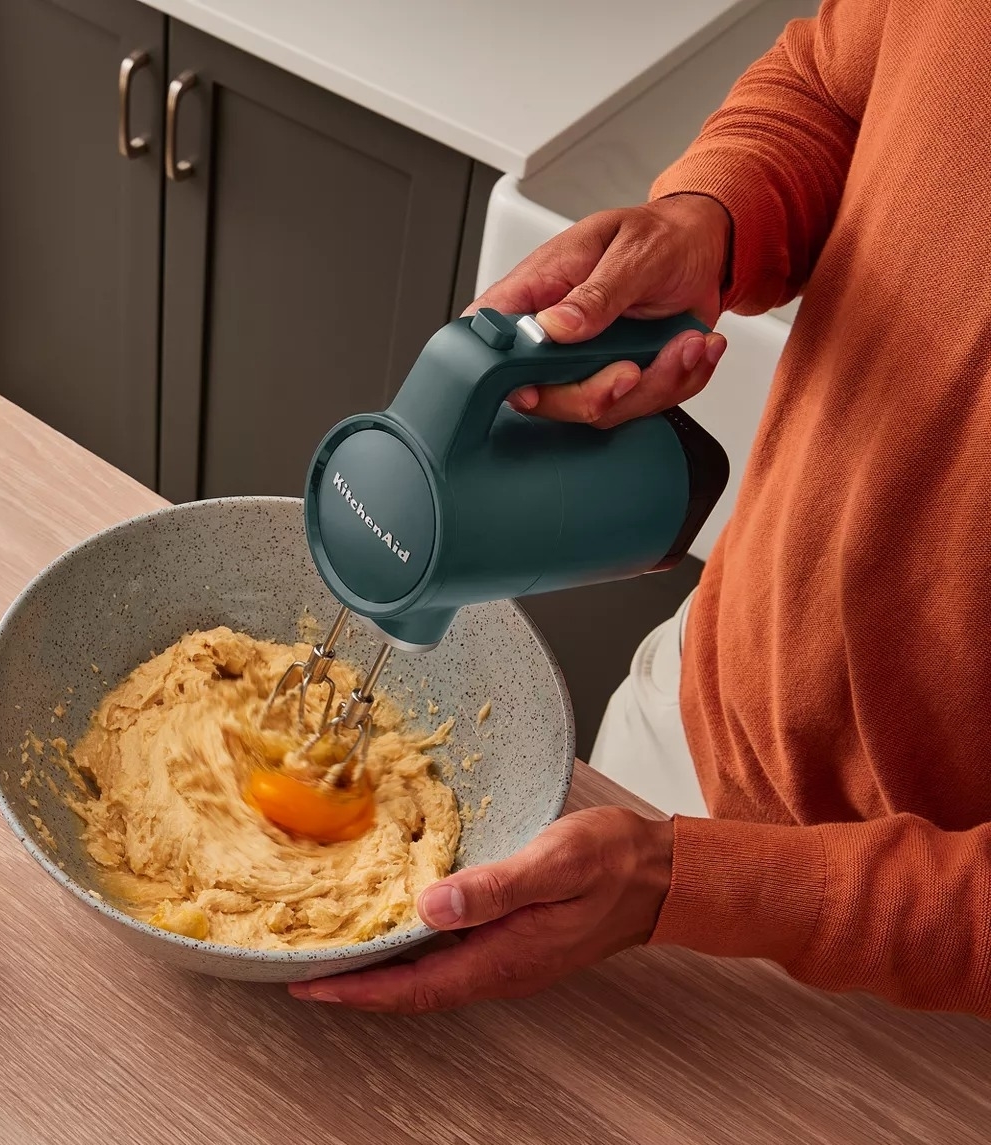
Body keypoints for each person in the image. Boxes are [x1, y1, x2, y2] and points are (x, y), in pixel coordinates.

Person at [289, 0, 991, 1017]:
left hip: (933, 970)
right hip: (699, 717)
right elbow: (837, 76)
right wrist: (710, 216)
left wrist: (698, 885)